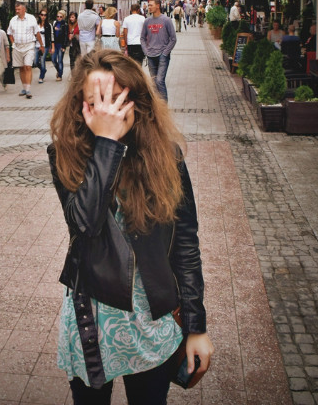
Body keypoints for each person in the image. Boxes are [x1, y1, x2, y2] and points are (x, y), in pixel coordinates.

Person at [48, 50, 214, 405]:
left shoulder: (166, 156)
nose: (108, 111)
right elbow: (84, 225)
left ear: (137, 100)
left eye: (117, 100)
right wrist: (106, 145)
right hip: (92, 318)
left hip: (152, 317)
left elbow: (185, 244)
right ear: (80, 105)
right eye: (96, 101)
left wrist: (196, 327)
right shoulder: (65, 153)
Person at [140, 0, 177, 102]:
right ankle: (157, 105)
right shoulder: (147, 21)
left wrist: (165, 53)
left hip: (162, 56)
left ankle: (164, 105)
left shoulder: (166, 20)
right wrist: (146, 51)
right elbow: (142, 38)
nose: (149, 7)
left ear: (158, 6)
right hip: (150, 55)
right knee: (154, 82)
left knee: (159, 81)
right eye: (148, 5)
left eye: (151, 5)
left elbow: (173, 38)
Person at [7, 0, 43, 99]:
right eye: (16, 9)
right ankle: (24, 87)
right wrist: (13, 43)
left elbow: (37, 33)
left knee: (28, 66)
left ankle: (28, 89)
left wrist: (41, 45)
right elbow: (9, 33)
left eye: (18, 9)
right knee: (21, 67)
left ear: (24, 9)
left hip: (29, 46)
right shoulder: (13, 20)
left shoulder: (31, 18)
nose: (17, 11)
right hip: (17, 47)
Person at [36, 9, 54, 84]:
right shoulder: (36, 24)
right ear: (39, 15)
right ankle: (43, 70)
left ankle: (41, 77)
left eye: (45, 15)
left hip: (45, 45)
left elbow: (52, 36)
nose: (43, 16)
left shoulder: (48, 25)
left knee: (42, 60)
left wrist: (52, 47)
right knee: (35, 61)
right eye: (42, 15)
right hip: (36, 45)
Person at [52, 10, 69, 81]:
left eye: (60, 17)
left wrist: (64, 46)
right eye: (58, 16)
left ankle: (60, 75)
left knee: (60, 60)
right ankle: (59, 71)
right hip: (55, 44)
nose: (59, 18)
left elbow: (66, 36)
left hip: (61, 44)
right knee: (53, 59)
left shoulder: (65, 25)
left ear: (63, 17)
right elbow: (52, 34)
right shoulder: (54, 23)